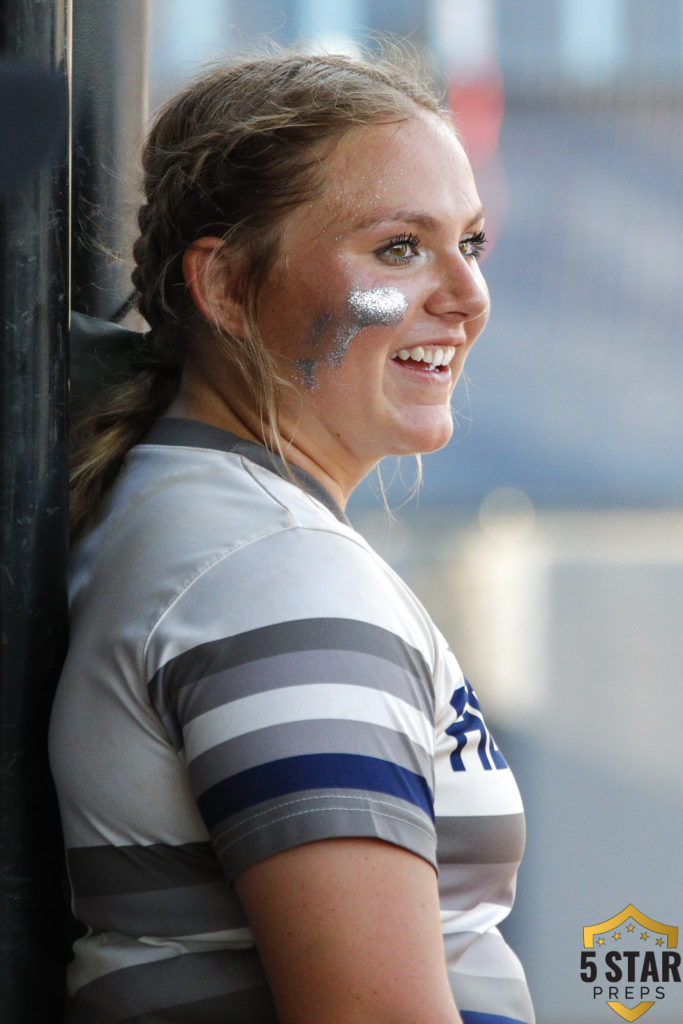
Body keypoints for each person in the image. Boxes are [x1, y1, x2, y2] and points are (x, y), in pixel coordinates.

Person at [49, 47, 535, 1024]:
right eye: (397, 247)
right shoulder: (273, 572)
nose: (463, 295)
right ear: (226, 287)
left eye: (468, 243)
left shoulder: (206, 518)